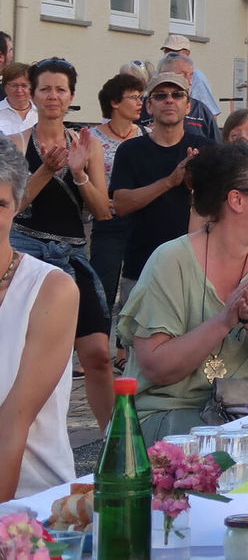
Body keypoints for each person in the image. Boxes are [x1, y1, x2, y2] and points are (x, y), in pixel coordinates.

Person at [118, 143, 248, 440]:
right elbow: (157, 368)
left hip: (247, 414)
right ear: (236, 199)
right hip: (170, 412)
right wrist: (223, 320)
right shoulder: (171, 259)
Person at [8, 57, 114, 429]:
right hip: (28, 251)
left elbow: (102, 211)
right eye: (45, 89)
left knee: (98, 353)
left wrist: (79, 173)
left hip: (72, 254)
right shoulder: (16, 143)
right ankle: (26, 431)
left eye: (61, 89)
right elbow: (14, 205)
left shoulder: (87, 144)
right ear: (33, 95)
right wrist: (46, 169)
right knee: (28, 355)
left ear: (71, 96)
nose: (53, 96)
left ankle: (113, 439)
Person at [0, 141, 78, 500]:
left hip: (31, 501)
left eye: (0, 204)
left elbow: (11, 425)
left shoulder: (50, 290)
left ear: (18, 205)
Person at [111, 71, 210, 293]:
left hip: (195, 268)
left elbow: (221, 208)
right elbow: (120, 204)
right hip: (142, 268)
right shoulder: (130, 150)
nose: (169, 100)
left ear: (188, 105)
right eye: (160, 95)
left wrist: (197, 184)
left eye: (177, 95)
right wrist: (170, 181)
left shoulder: (207, 149)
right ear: (149, 106)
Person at [87, 73, 147, 310]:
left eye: (141, 97)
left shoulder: (147, 135)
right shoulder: (91, 137)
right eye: (133, 97)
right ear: (114, 102)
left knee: (139, 289)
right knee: (103, 288)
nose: (140, 102)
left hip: (141, 220)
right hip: (108, 221)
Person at [138, 53, 219, 142]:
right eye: (182, 75)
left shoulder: (201, 110)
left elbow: (217, 144)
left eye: (191, 75)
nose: (190, 82)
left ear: (188, 106)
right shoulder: (139, 107)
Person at [160, 34, 221, 117]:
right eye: (167, 52)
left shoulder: (196, 77)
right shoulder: (161, 74)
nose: (170, 56)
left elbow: (210, 112)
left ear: (187, 53)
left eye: (175, 52)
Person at [0, 63, 37, 136]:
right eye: (14, 85)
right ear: (4, 86)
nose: (19, 90)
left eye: (24, 85)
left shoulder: (42, 112)